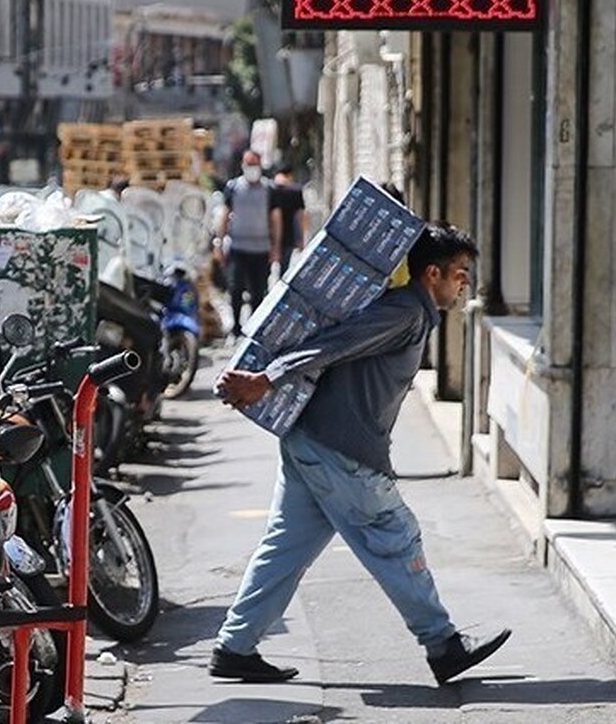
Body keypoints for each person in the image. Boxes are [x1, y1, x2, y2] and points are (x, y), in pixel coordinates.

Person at [211, 222, 511, 685]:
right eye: (460, 273)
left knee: (285, 549)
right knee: (395, 535)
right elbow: (334, 345)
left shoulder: (410, 312)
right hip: (338, 450)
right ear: (432, 273)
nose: (465, 284)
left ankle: (234, 647)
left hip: (312, 441)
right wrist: (265, 380)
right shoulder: (403, 312)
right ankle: (443, 645)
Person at [216, 151, 281, 335]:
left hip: (261, 249)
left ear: (260, 166)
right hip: (237, 248)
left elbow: (276, 219)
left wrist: (276, 247)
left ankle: (254, 328)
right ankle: (236, 328)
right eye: (248, 165)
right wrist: (219, 244)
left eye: (255, 164)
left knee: (258, 291)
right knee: (235, 289)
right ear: (243, 166)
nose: (252, 168)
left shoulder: (269, 189)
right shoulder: (233, 187)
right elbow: (224, 216)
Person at [271, 163, 307, 268]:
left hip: (267, 236)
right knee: (284, 268)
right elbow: (300, 217)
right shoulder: (295, 191)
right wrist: (301, 240)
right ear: (290, 175)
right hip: (288, 236)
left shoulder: (269, 189)